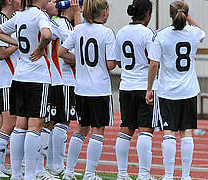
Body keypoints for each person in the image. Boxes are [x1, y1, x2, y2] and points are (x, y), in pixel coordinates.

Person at [146, 1, 205, 179]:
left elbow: (154, 64)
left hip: (167, 91)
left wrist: (149, 89)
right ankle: (186, 175)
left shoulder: (161, 35)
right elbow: (200, 31)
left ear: (170, 15)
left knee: (169, 132)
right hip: (188, 90)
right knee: (186, 132)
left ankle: (169, 175)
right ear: (186, 14)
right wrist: (188, 17)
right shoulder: (194, 33)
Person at [59, 0, 116, 179]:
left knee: (80, 129)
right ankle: (90, 174)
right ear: (104, 12)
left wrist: (79, 60)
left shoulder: (78, 29)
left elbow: (61, 52)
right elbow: (111, 64)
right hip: (99, 89)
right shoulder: (107, 33)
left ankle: (68, 171)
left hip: (81, 88)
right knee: (98, 130)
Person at [0, 0, 52, 178]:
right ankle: (29, 175)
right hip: (37, 77)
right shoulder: (39, 15)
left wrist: (18, 43)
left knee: (20, 125)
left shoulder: (20, 15)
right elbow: (46, 34)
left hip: (19, 76)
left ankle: (16, 174)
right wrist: (41, 48)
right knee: (35, 126)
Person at [114, 1, 156, 180]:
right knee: (145, 131)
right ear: (147, 14)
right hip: (143, 87)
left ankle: (122, 173)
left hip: (125, 86)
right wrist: (149, 88)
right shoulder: (148, 33)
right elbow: (154, 62)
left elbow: (118, 62)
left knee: (125, 130)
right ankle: (143, 175)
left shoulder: (121, 32)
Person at [43, 0, 81, 176]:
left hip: (65, 79)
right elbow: (78, 42)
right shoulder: (60, 22)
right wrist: (82, 59)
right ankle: (55, 164)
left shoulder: (63, 23)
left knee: (58, 122)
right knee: (61, 122)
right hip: (62, 78)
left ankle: (53, 164)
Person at [0, 0, 20, 177]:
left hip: (11, 79)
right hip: (4, 79)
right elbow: (2, 53)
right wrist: (18, 43)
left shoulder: (11, 19)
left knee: (4, 124)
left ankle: (0, 163)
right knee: (9, 123)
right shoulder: (0, 19)